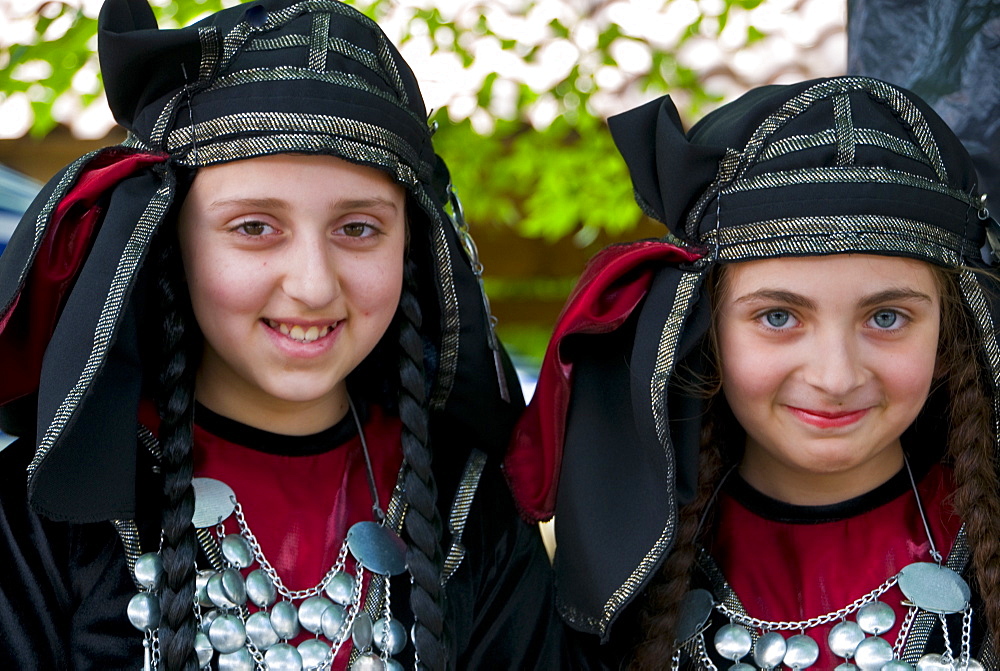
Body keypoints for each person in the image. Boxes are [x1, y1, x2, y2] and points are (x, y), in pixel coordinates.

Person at [0, 1, 563, 669]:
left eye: (358, 228)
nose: (314, 285)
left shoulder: (474, 514)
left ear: (410, 249)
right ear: (171, 238)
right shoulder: (44, 512)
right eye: (254, 227)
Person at [504, 75, 1000, 669]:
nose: (835, 376)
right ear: (706, 330)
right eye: (779, 316)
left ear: (949, 332)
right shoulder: (623, 592)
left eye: (887, 317)